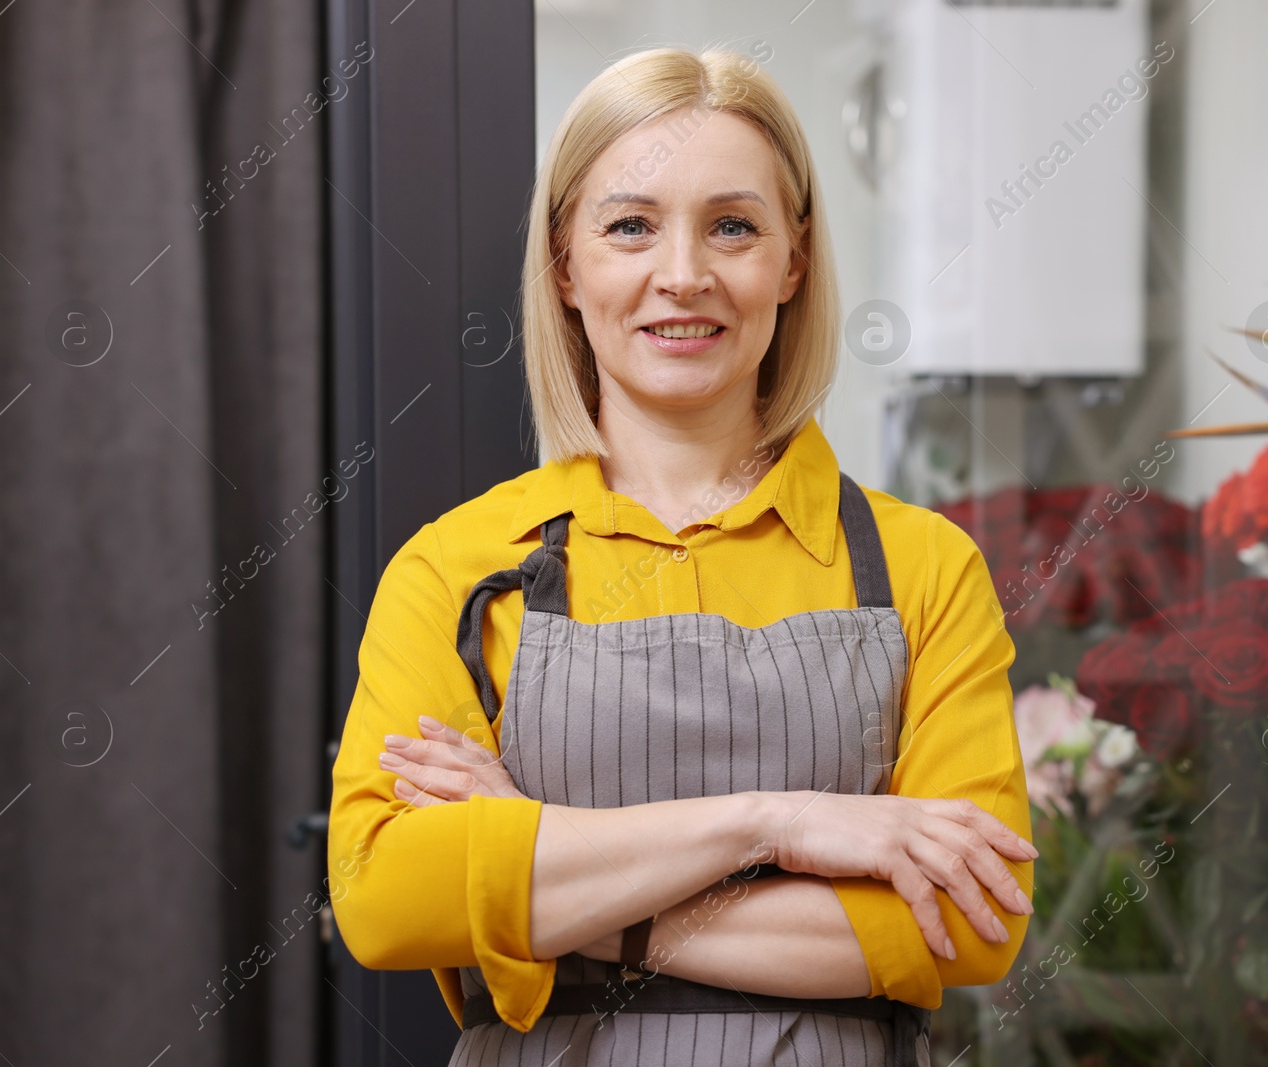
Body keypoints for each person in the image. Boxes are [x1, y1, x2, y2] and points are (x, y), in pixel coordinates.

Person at [327, 46, 1036, 1067]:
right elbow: (387, 895)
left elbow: (970, 919)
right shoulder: (459, 566)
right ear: (566, 265)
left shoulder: (924, 566)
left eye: (733, 226)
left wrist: (555, 879)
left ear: (792, 259)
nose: (684, 274)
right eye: (630, 226)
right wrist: (779, 823)